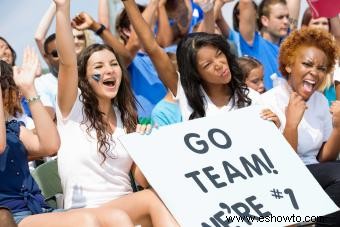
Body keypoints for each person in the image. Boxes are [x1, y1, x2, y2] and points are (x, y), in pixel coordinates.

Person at [54, 0, 179, 225]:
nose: (109, 70)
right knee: (145, 204)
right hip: (85, 213)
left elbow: (141, 179)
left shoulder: (126, 117)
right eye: (98, 67)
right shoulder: (72, 110)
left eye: (113, 64)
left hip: (127, 206)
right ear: (84, 78)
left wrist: (146, 146)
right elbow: (67, 63)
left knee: (158, 198)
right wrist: (62, 9)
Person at [0, 50, 135, 227]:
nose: (16, 94)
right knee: (86, 221)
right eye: (11, 87)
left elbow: (51, 146)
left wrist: (29, 89)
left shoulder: (12, 128)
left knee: (116, 217)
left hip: (40, 211)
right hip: (12, 217)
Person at [121, 0, 280, 127]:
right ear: (196, 73)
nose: (219, 64)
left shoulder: (250, 97)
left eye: (219, 54)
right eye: (207, 65)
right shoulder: (187, 96)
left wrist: (275, 125)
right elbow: (152, 47)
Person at [261, 27, 340, 227]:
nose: (315, 72)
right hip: (281, 177)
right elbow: (279, 164)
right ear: (288, 65)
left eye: (322, 69)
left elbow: (324, 159)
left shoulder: (320, 101)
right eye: (307, 64)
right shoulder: (267, 102)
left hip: (313, 173)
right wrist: (291, 125)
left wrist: (338, 128)